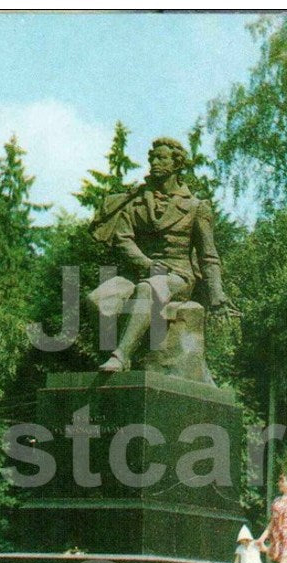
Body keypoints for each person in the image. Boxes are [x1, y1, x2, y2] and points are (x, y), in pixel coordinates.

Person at [88, 137, 234, 382]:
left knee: (149, 289)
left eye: (161, 158)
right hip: (140, 270)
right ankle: (123, 347)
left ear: (176, 164)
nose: (154, 162)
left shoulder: (196, 207)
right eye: (152, 158)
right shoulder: (135, 202)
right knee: (96, 299)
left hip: (177, 275)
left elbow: (208, 256)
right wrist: (146, 263)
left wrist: (217, 294)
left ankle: (122, 355)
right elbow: (123, 239)